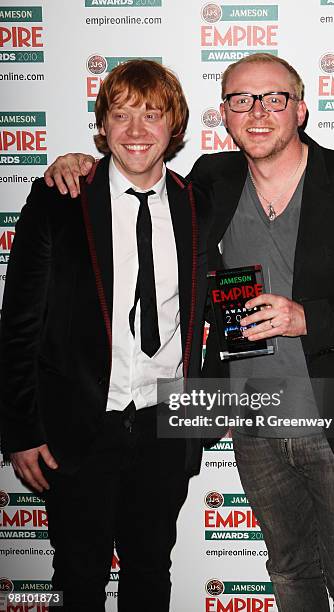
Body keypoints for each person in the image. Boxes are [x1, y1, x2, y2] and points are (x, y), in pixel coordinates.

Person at [42, 53, 334, 611]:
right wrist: (78, 164)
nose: (257, 112)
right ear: (225, 114)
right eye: (241, 100)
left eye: (273, 98)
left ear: (301, 108)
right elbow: (138, 180)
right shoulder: (212, 181)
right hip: (251, 414)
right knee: (289, 572)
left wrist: (306, 318)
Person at [0, 59, 209, 612]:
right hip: (80, 428)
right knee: (79, 577)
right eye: (121, 116)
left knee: (149, 573)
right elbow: (19, 324)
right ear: (102, 126)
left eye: (152, 115)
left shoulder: (198, 203)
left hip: (167, 426)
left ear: (176, 126)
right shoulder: (60, 198)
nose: (136, 131)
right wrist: (20, 431)